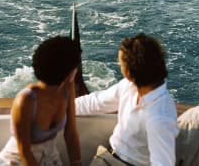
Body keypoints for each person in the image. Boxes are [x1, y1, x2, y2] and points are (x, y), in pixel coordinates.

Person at [75, 33, 179, 165]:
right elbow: (95, 102)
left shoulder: (159, 117)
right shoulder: (128, 85)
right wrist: (62, 108)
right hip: (107, 156)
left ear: (130, 72)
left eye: (121, 63)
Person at [0, 36, 82, 166]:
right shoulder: (26, 100)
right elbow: (24, 151)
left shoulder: (67, 89)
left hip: (50, 159)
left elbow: (70, 134)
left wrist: (77, 164)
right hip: (18, 161)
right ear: (69, 72)